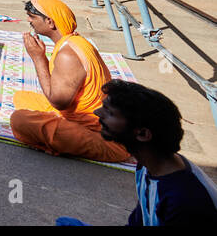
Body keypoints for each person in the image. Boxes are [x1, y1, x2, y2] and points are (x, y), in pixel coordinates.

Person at [57, 81, 217, 226]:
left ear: (142, 134)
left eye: (109, 112)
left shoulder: (183, 199)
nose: (97, 113)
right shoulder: (148, 167)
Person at [9, 0, 131, 164]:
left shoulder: (68, 54)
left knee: (19, 121)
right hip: (83, 116)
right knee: (21, 97)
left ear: (50, 22)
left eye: (32, 16)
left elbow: (59, 102)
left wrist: (38, 58)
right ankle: (58, 127)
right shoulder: (73, 41)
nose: (29, 20)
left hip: (108, 139)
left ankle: (59, 139)